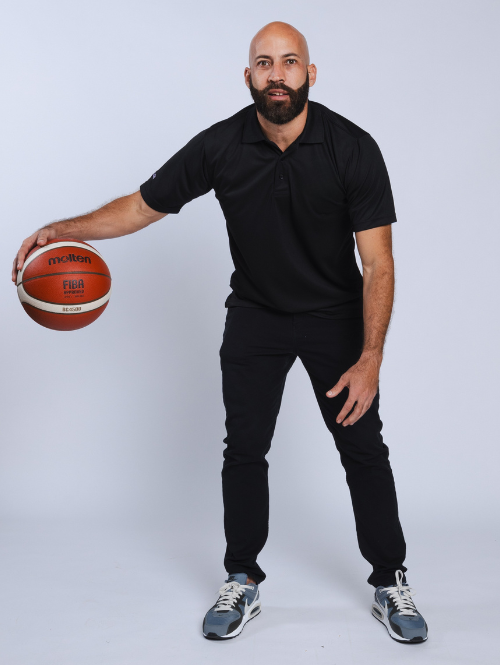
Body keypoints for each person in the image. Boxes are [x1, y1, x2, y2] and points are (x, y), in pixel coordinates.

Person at [12, 21, 428, 645]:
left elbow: (379, 264)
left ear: (311, 74)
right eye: (265, 63)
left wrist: (370, 357)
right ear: (248, 77)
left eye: (290, 62)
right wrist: (61, 230)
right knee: (245, 450)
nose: (277, 74)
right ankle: (242, 578)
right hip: (256, 315)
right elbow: (140, 206)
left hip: (335, 317)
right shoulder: (221, 145)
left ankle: (390, 579)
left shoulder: (353, 148)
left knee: (362, 448)